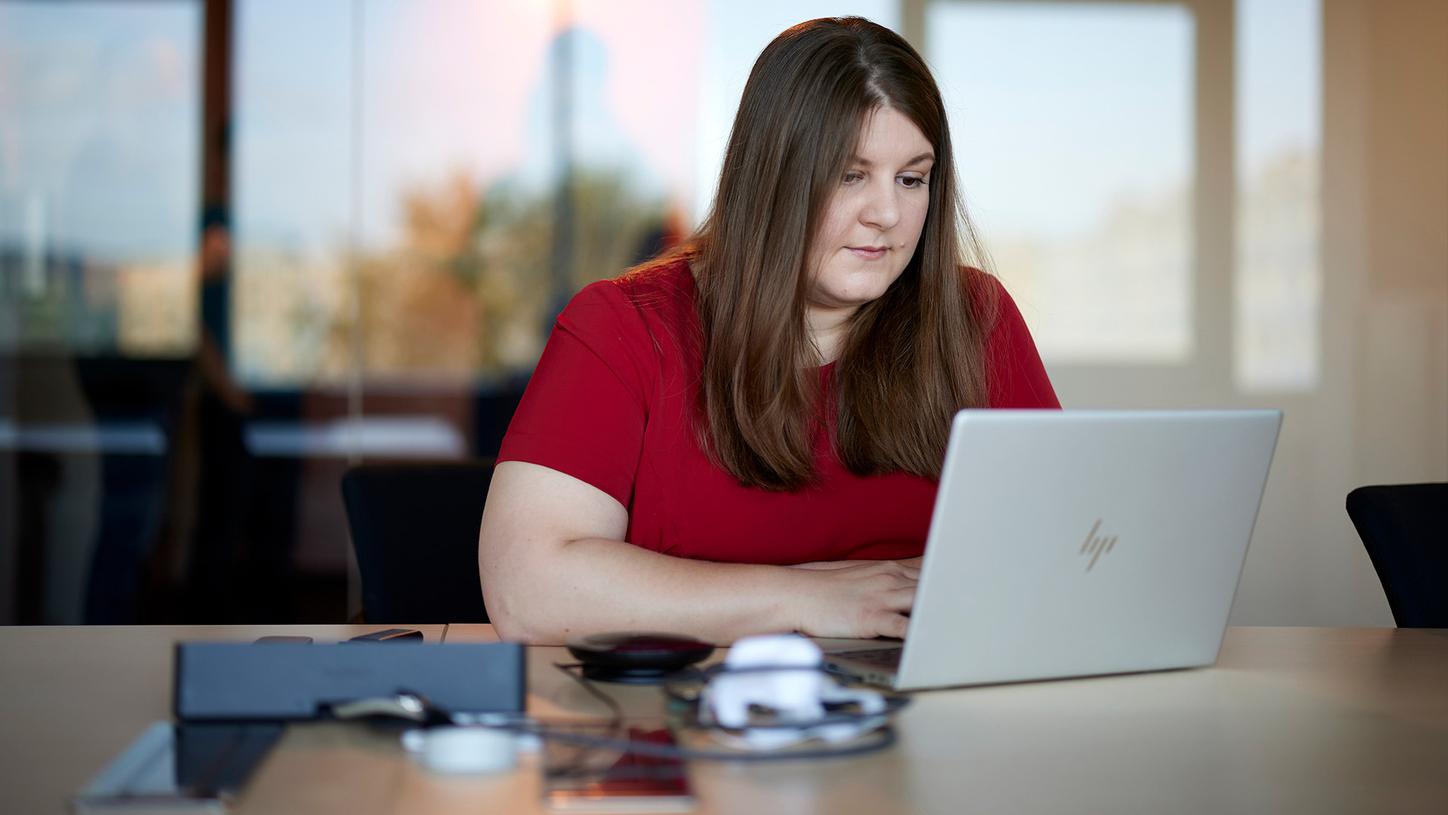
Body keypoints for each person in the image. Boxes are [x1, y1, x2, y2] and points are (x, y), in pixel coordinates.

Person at [478, 17, 1058, 645]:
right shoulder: (624, 327)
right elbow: (526, 591)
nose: (888, 214)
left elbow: (1066, 546)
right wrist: (808, 598)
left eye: (911, 178)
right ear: (773, 179)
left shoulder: (974, 316)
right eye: (849, 174)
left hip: (930, 712)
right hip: (681, 722)